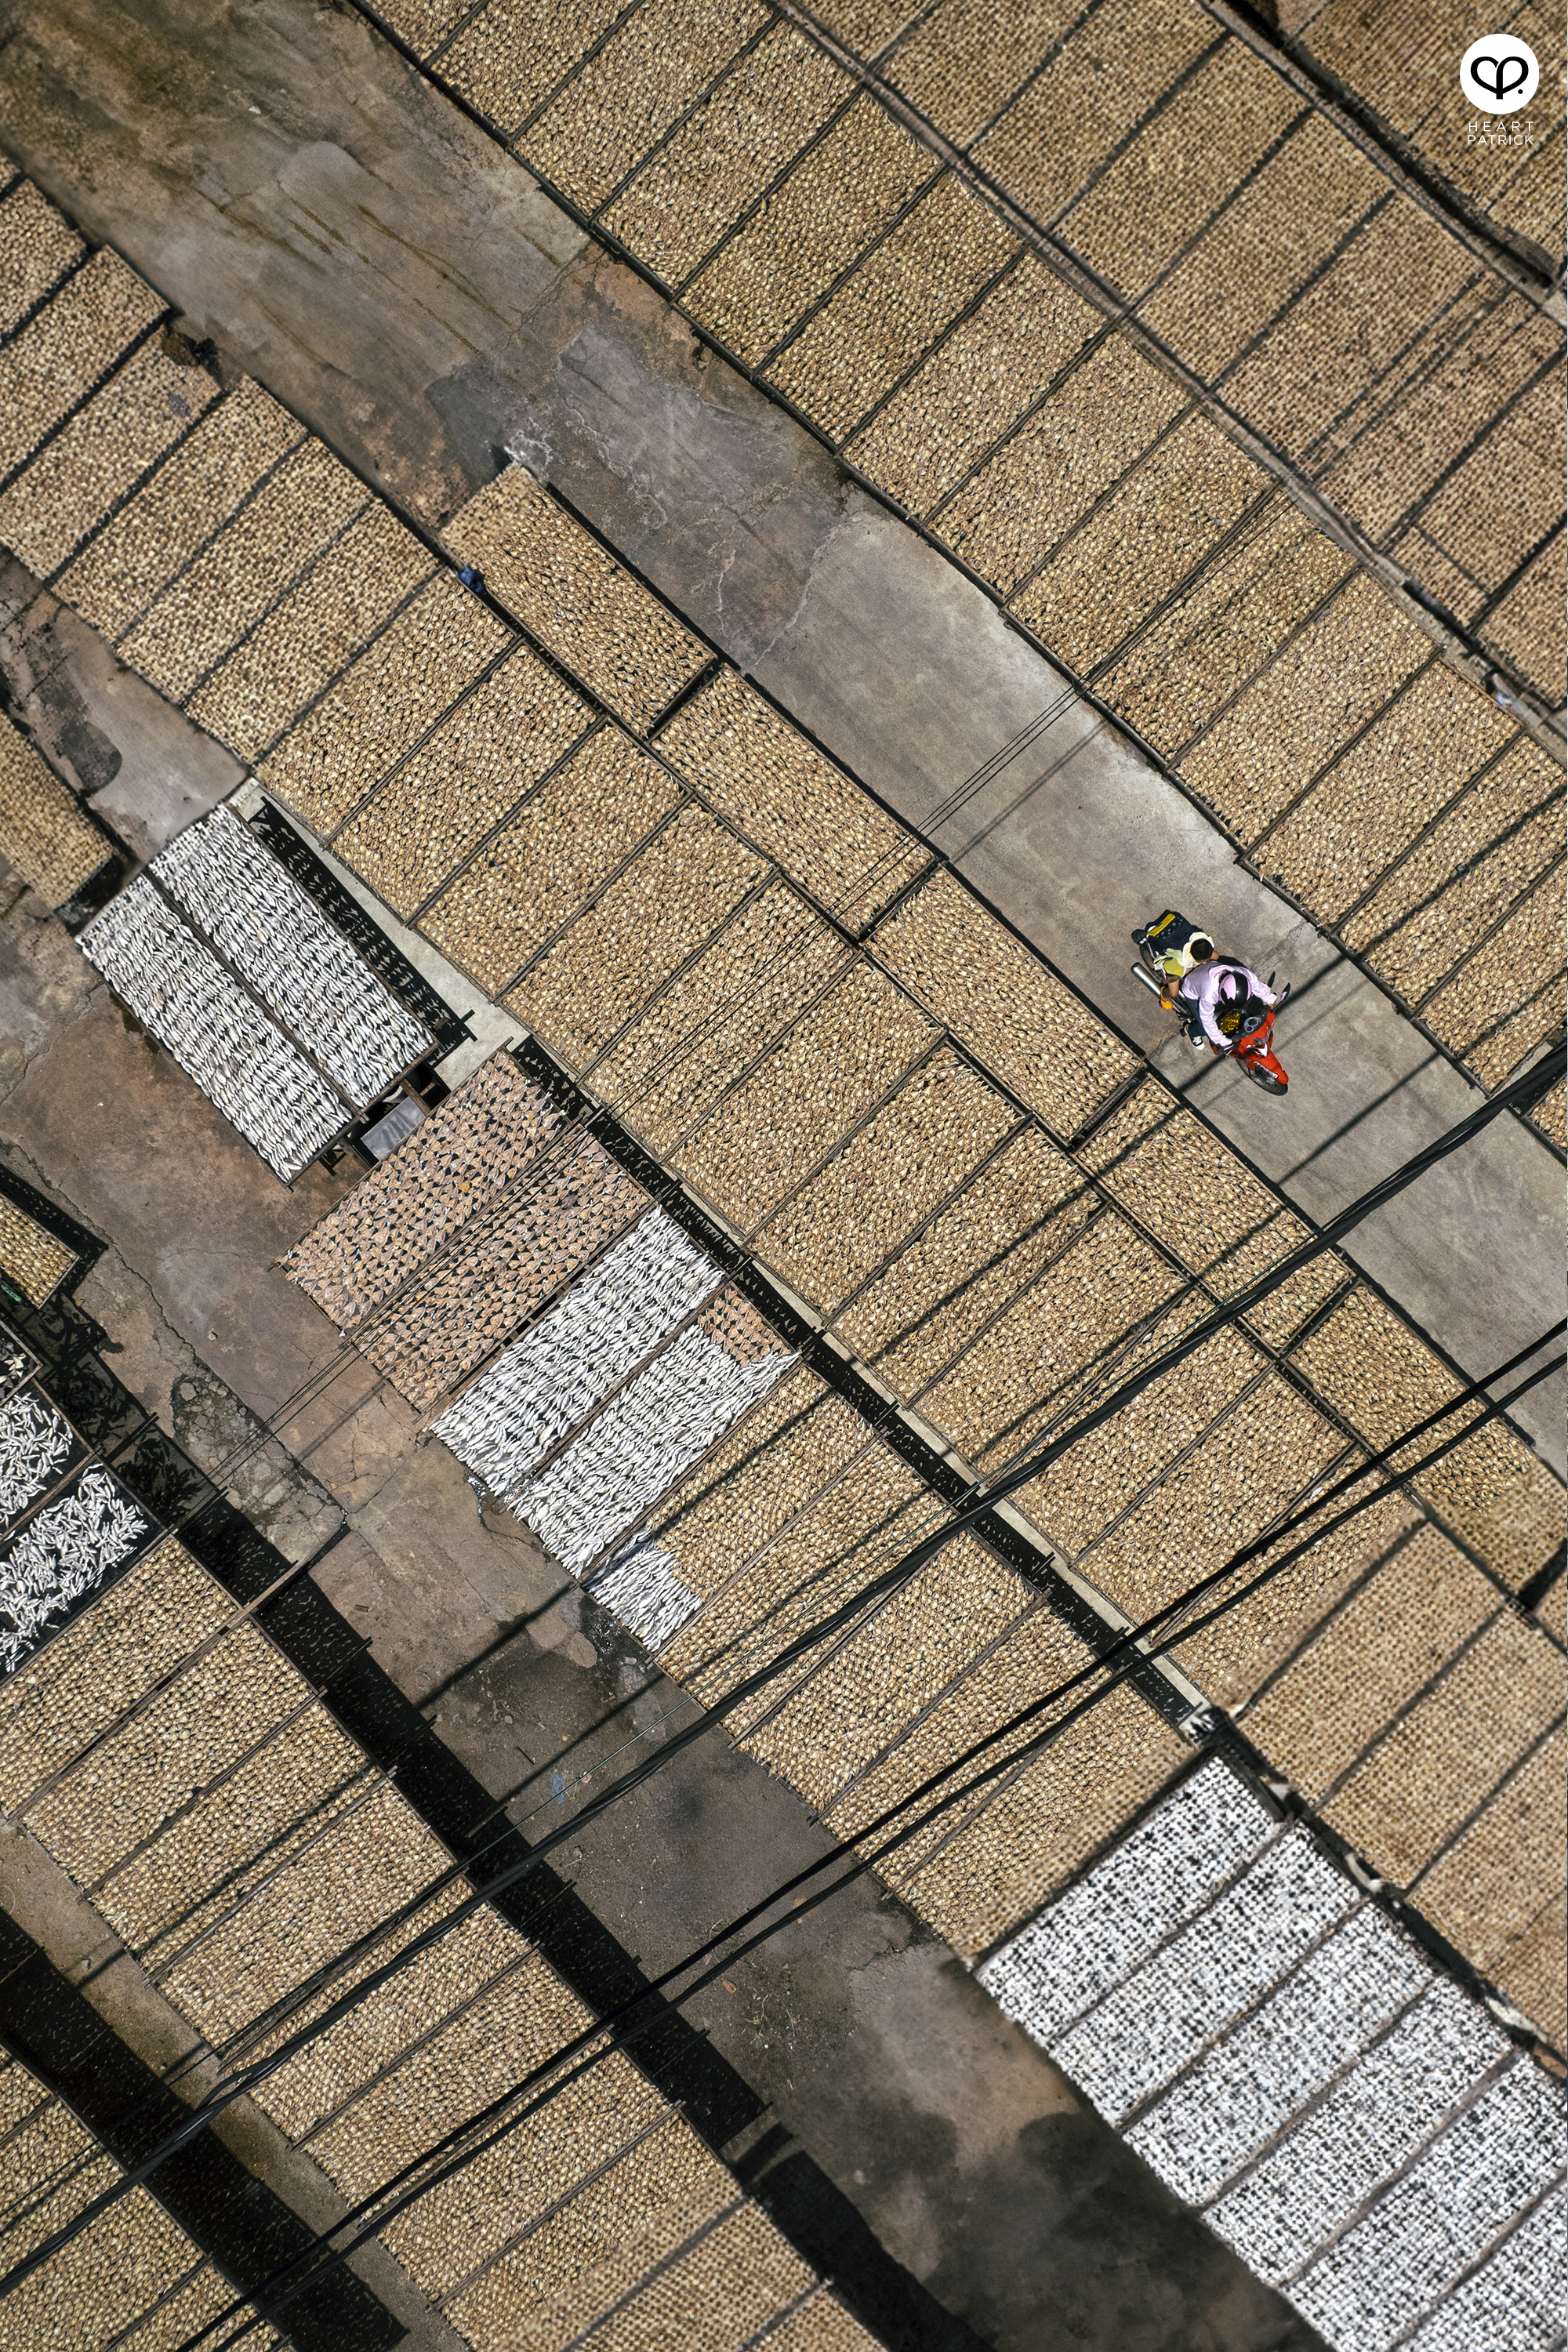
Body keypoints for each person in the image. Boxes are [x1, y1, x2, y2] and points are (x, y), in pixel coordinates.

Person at [1163, 948, 1276, 1056]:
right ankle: (1192, 1032)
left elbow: (1254, 982)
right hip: (1192, 989)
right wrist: (1221, 1040)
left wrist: (1268, 997)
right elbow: (1207, 1020)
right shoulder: (1209, 994)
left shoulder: (1240, 973)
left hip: (1206, 970)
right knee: (1204, 1028)